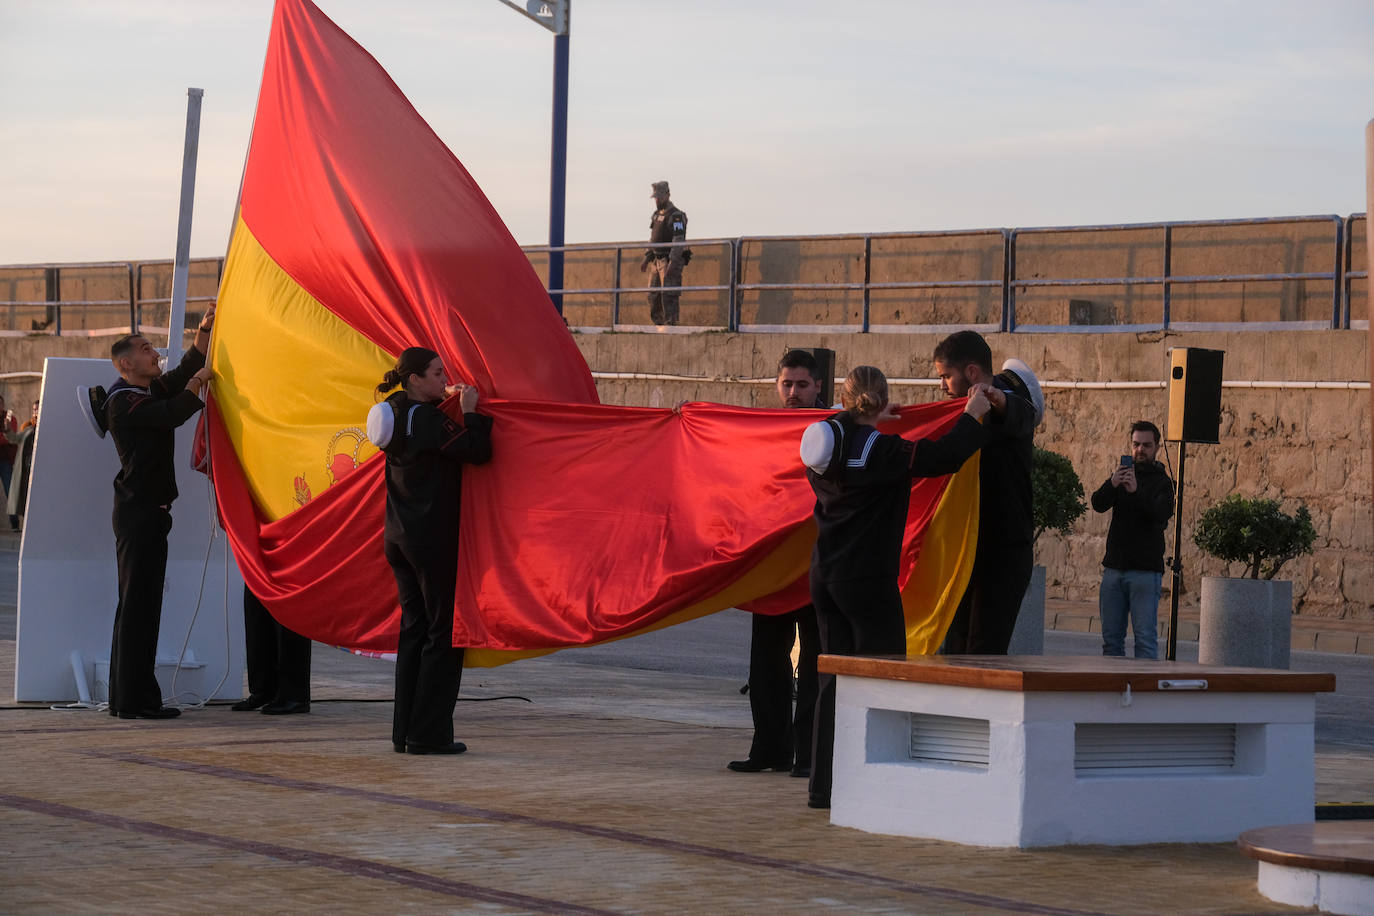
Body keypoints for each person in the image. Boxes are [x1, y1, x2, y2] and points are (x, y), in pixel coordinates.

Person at [803, 365, 990, 810]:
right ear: (882, 398)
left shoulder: (824, 443)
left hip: (824, 577)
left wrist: (872, 416)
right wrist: (973, 414)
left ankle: (822, 788)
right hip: (867, 580)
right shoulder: (884, 452)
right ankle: (874, 782)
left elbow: (837, 427)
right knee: (881, 678)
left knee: (833, 681)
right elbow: (942, 458)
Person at [372, 347, 492, 755]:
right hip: (430, 539)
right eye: (438, 373)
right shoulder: (426, 418)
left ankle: (403, 731)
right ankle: (429, 733)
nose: (445, 379)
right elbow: (476, 450)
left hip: (398, 537)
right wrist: (471, 409)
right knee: (443, 634)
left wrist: (448, 402)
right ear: (416, 379)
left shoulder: (394, 411)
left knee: (413, 631)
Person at [101, 312, 215, 719]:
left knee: (138, 607)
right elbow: (173, 412)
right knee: (138, 609)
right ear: (126, 363)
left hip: (148, 514)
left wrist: (202, 334)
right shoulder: (124, 403)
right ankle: (134, 700)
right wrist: (199, 384)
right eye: (146, 350)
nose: (154, 354)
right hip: (139, 515)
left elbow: (182, 371)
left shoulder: (143, 392)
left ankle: (128, 698)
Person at [727, 349, 824, 777]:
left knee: (816, 665)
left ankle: (809, 754)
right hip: (772, 566)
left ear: (818, 386)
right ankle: (770, 749)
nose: (793, 392)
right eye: (787, 384)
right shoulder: (764, 431)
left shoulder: (833, 427)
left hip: (817, 565)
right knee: (766, 664)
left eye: (802, 385)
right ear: (776, 385)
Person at [933, 330, 1039, 656]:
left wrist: (996, 400)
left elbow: (1021, 413)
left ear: (972, 373)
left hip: (1003, 552)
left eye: (946, 376)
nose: (942, 386)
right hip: (967, 547)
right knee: (954, 648)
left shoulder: (1005, 402)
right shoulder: (962, 411)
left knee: (984, 651)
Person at [1090, 420, 1174, 659]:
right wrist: (1112, 483)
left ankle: (1143, 694)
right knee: (1111, 642)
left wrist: (1136, 492)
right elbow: (1098, 504)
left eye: (1146, 445)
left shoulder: (1163, 483)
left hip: (1145, 573)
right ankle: (1113, 692)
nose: (1140, 450)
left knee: (1145, 640)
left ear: (1157, 447)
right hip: (1114, 569)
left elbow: (1160, 514)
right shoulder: (1123, 474)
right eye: (1136, 444)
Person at [233, 585, 313, 714]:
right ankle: (264, 690)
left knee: (289, 613)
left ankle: (294, 696)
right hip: (258, 565)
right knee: (256, 616)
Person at [639, 180, 689, 326]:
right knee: (653, 295)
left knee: (669, 295)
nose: (657, 200)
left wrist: (673, 261)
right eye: (655, 197)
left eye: (660, 197)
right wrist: (646, 258)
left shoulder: (676, 215)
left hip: (669, 260)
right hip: (656, 260)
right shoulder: (656, 215)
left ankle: (671, 325)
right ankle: (659, 325)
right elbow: (653, 239)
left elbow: (678, 240)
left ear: (668, 195)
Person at [6, 399, 38, 530]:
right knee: (25, 501)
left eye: (38, 408)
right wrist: (7, 430)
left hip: (39, 472)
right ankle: (26, 528)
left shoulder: (46, 428)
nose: (36, 412)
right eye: (34, 409)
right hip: (26, 471)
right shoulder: (28, 428)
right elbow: (14, 439)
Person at [0, 396, 17, 530]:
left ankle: (15, 523)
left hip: (6, 461)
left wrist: (5, 435)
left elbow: (11, 437)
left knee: (10, 491)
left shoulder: (9, 417)